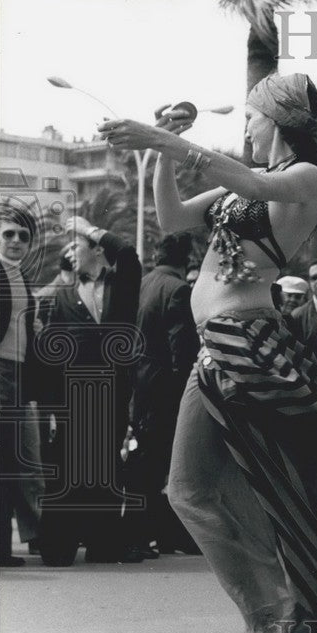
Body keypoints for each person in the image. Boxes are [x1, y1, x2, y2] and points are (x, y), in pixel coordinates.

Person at [99, 72, 317, 633]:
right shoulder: (240, 190)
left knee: (286, 481)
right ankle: (307, 610)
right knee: (202, 489)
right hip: (215, 350)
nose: (245, 128)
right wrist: (161, 151)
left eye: (251, 119)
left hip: (249, 347)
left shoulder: (303, 177)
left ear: (278, 121)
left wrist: (165, 139)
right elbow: (175, 218)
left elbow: (251, 178)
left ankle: (290, 617)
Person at [38, 215, 142, 565]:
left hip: (112, 393)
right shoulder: (64, 295)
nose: (70, 252)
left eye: (76, 245)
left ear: (96, 250)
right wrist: (52, 407)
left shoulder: (122, 284)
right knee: (67, 465)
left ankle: (104, 544)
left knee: (106, 466)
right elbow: (52, 353)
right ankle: (59, 548)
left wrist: (88, 227)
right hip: (72, 398)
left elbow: (127, 253)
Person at [129, 231, 200, 556]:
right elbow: (180, 351)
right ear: (184, 259)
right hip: (165, 391)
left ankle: (142, 533)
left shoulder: (142, 284)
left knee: (144, 461)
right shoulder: (178, 289)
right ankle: (158, 535)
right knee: (165, 465)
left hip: (139, 384)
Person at [0, 204, 44, 566]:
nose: (16, 241)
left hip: (17, 374)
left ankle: (10, 545)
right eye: (9, 234)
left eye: (23, 236)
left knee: (14, 459)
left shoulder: (21, 276)